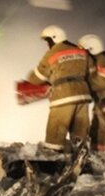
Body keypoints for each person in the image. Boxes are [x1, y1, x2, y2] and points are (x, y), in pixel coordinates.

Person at [24, 25, 92, 153]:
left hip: (63, 96)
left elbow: (37, 77)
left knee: (55, 133)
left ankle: (52, 161)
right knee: (80, 134)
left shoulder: (53, 52)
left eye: (47, 41)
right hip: (83, 96)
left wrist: (30, 79)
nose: (47, 44)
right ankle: (82, 160)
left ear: (54, 38)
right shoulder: (80, 51)